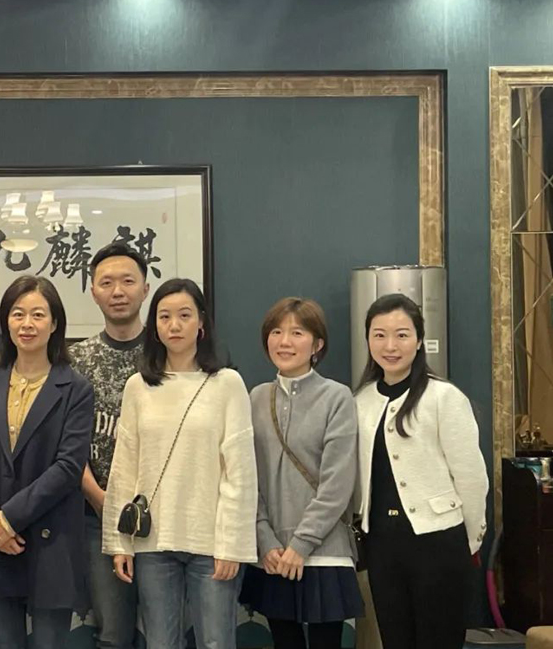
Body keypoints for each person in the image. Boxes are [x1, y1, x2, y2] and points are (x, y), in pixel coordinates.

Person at [103, 278, 257, 649]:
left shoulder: (227, 383)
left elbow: (240, 472)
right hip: (153, 542)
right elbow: (125, 467)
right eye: (164, 316)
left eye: (184, 315)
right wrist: (119, 542)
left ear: (201, 322)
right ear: (154, 325)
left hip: (211, 542)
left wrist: (232, 545)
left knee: (216, 642)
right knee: (160, 642)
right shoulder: (139, 386)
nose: (174, 325)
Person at [0, 275, 93, 649]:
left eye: (38, 314)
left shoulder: (76, 388)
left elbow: (68, 467)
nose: (27, 324)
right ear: (6, 321)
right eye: (18, 314)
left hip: (51, 539)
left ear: (55, 323)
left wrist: (9, 519)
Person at [355, 293, 489, 649]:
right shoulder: (361, 401)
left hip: (439, 541)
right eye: (379, 335)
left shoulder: (443, 397)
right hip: (382, 545)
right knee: (395, 639)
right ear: (368, 340)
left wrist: (470, 541)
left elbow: (472, 478)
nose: (390, 346)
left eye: (402, 335)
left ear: (418, 340)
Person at [241, 298, 363, 649]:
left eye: (297, 333)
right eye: (276, 332)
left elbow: (338, 483)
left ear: (317, 344)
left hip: (324, 552)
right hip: (273, 556)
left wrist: (301, 545)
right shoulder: (256, 398)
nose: (284, 342)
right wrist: (265, 541)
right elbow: (248, 477)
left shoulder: (336, 397)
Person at [68, 243, 149, 649]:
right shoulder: (75, 359)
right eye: (107, 283)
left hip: (166, 517)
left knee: (167, 632)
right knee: (113, 633)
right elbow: (67, 442)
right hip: (95, 515)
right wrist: (98, 497)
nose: (118, 291)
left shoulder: (170, 352)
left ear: (145, 289)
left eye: (128, 281)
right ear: (93, 292)